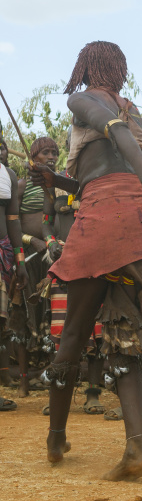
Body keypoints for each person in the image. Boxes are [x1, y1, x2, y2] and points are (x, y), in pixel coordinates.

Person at [32, 40, 142, 482]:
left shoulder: (83, 99)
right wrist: (57, 181)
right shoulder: (135, 110)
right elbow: (99, 173)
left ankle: (56, 437)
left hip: (104, 221)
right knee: (125, 332)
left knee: (73, 335)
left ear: (86, 67)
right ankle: (136, 448)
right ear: (119, 69)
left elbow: (115, 147)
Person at [41, 126, 106, 416]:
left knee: (97, 330)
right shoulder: (54, 183)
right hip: (65, 262)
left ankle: (93, 394)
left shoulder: (100, 179)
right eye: (73, 142)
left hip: (95, 261)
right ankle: (59, 393)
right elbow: (46, 221)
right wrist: (52, 241)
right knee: (62, 331)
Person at [11, 137, 59, 397]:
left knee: (53, 315)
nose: (50, 157)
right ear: (33, 158)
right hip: (27, 259)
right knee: (24, 314)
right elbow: (13, 224)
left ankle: (51, 375)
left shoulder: (59, 186)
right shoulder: (21, 186)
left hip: (54, 258)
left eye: (54, 153)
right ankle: (23, 381)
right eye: (45, 153)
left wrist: (51, 243)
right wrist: (33, 241)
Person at [0, 136, 28, 410]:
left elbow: (12, 220)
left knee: (0, 323)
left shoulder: (7, 174)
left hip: (2, 255)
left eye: (2, 144)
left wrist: (20, 261)